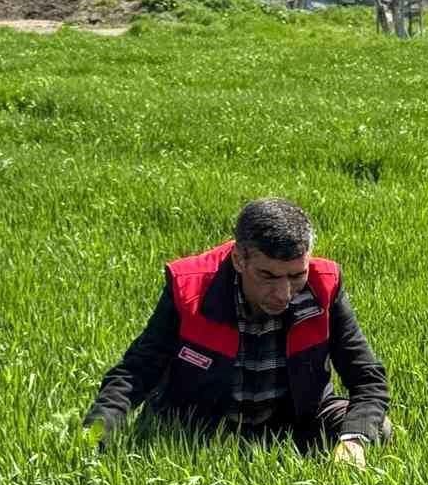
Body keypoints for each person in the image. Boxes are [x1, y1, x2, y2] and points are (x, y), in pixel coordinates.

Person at [84, 198, 389, 466]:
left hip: (293, 422)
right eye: (267, 276)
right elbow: (136, 371)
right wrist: (95, 433)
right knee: (159, 443)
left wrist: (352, 441)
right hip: (201, 426)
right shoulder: (190, 287)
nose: (283, 293)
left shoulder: (325, 286)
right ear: (239, 259)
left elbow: (367, 377)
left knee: (379, 428)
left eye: (297, 275)